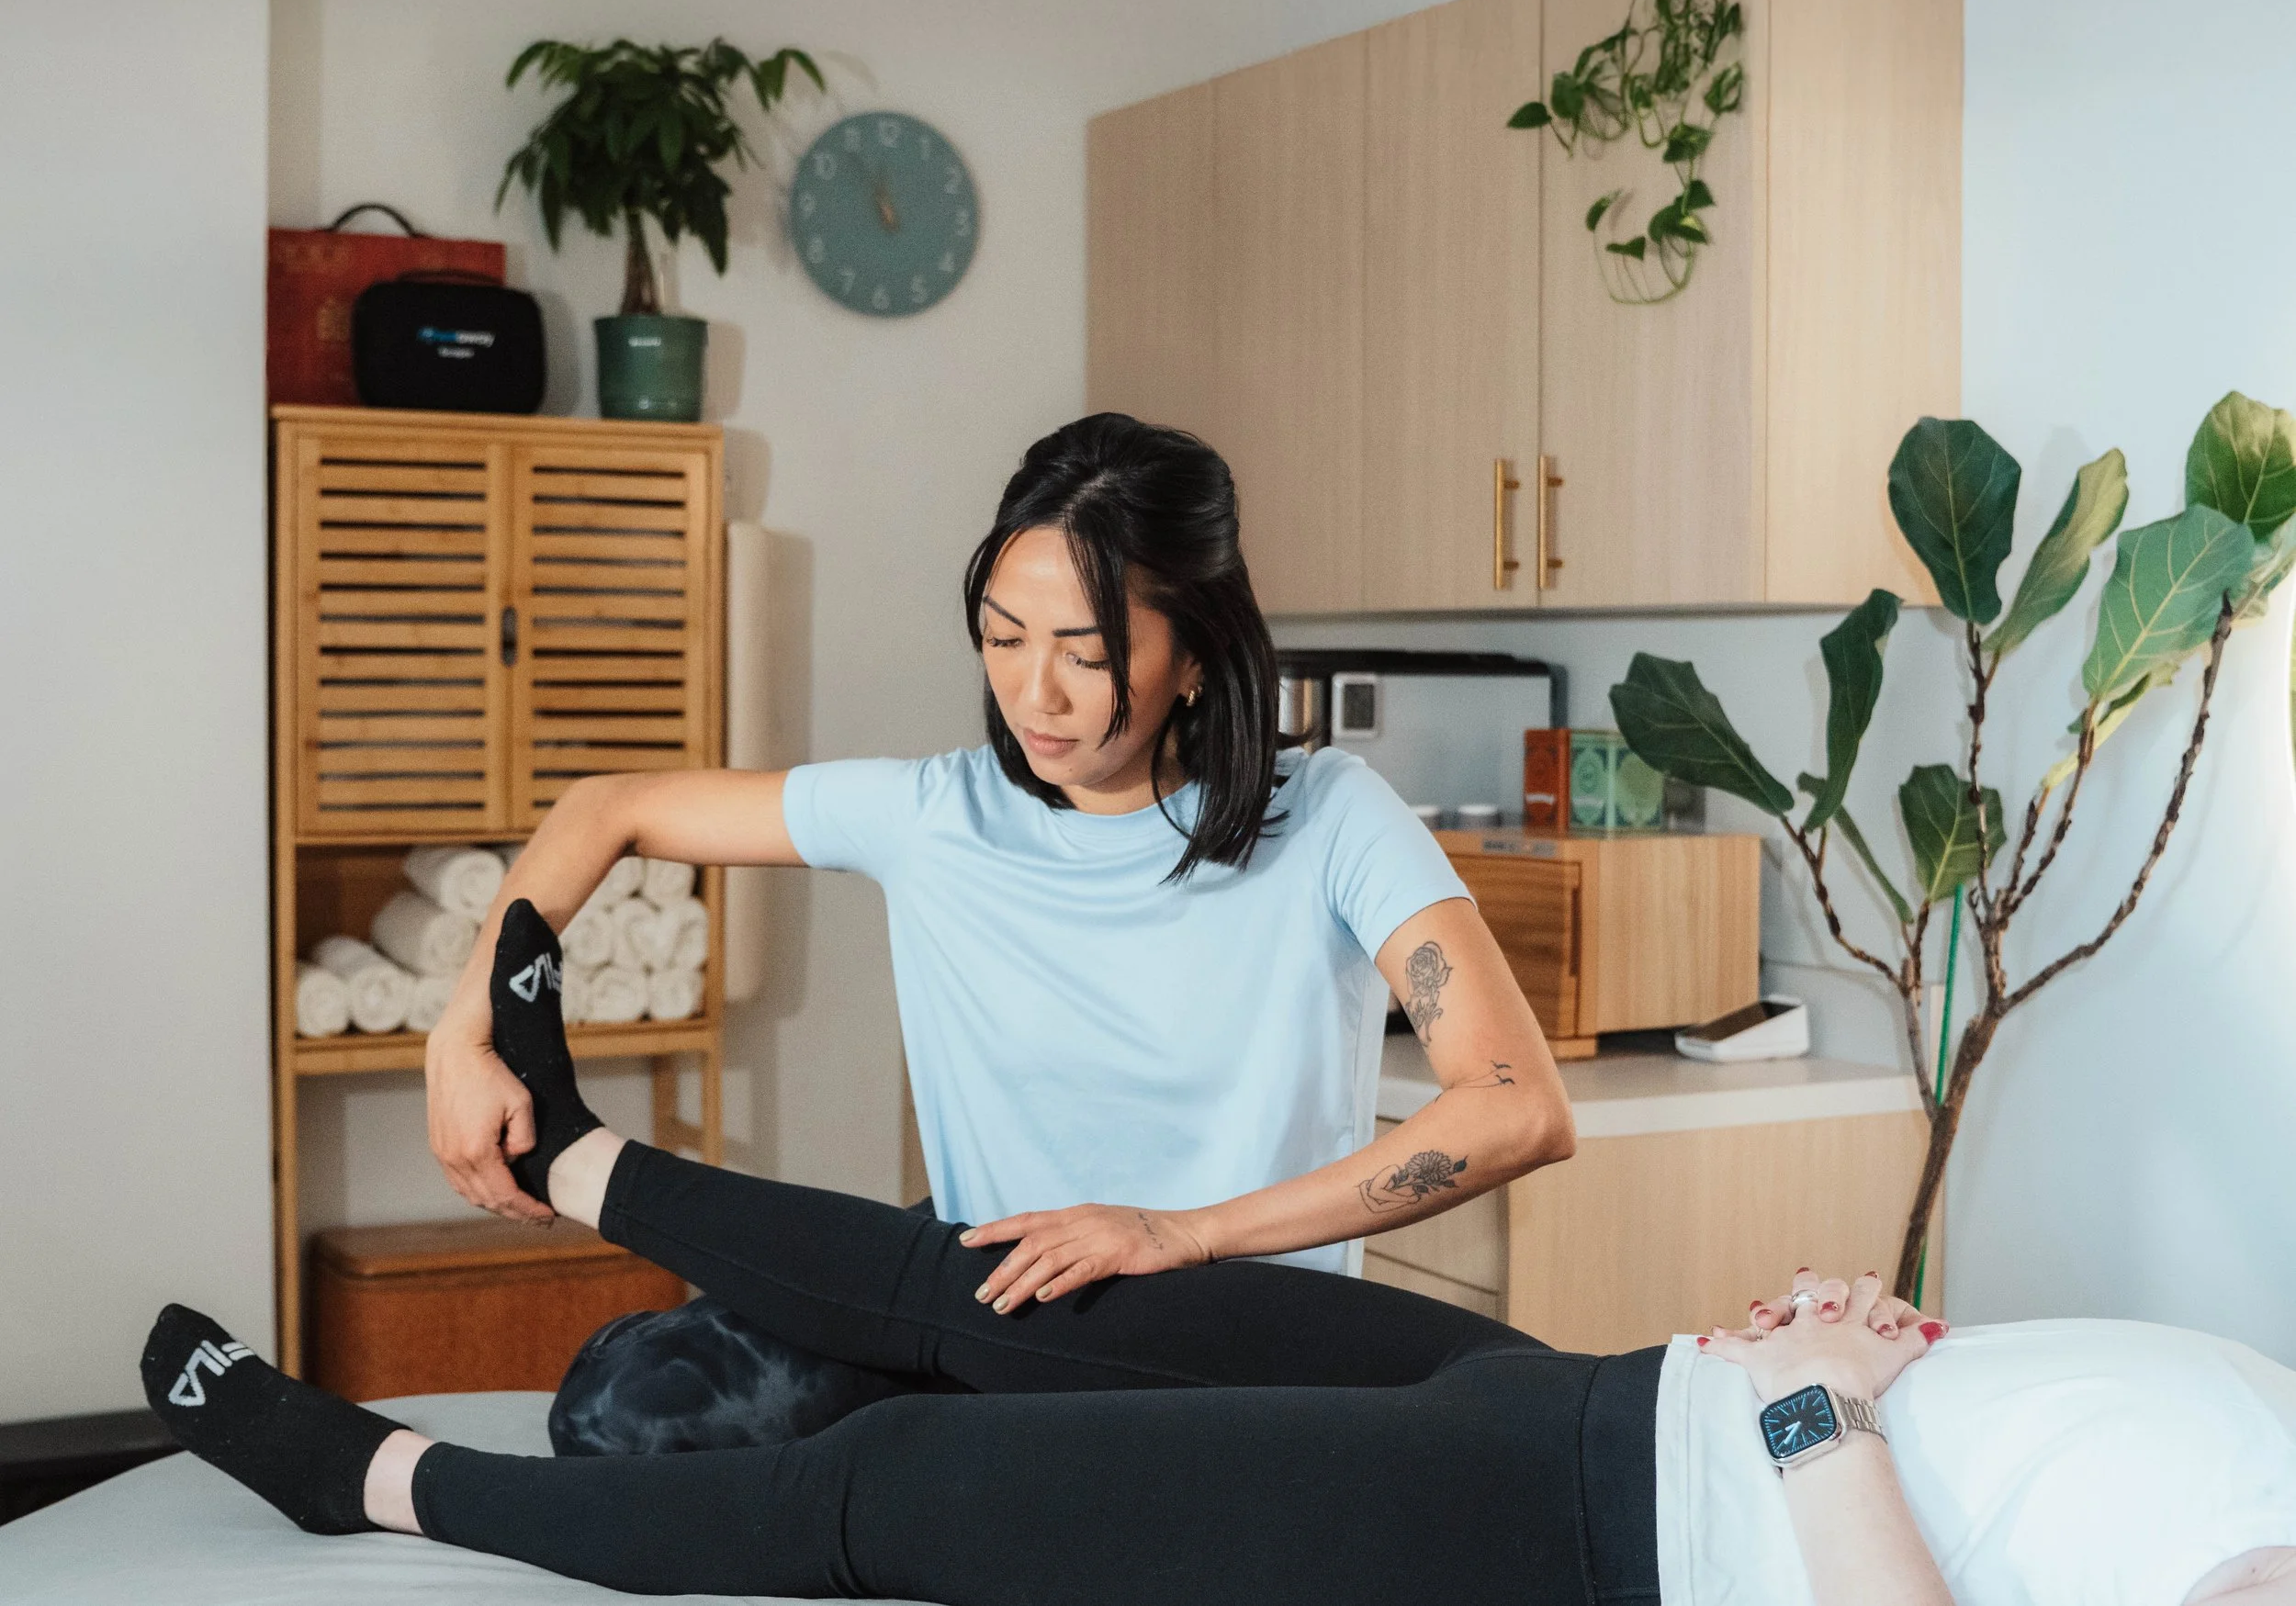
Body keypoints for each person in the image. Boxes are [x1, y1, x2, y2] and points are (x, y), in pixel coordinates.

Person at [146, 904, 2296, 1606]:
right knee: (1007, 1271)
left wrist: (1825, 1397)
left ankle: (370, 1473)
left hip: (1576, 1524)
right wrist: (1849, 1356)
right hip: (1591, 1391)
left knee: (910, 1498)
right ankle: (584, 1149)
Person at [421, 413, 1576, 1451]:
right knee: (619, 1412)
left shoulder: (1326, 817)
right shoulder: (938, 814)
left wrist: (1179, 1235)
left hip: (1231, 1338)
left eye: (1086, 653)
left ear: (1195, 657)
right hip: (981, 1306)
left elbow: (1516, 1105)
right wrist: (461, 1036)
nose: (1037, 695)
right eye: (1004, 637)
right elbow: (604, 808)